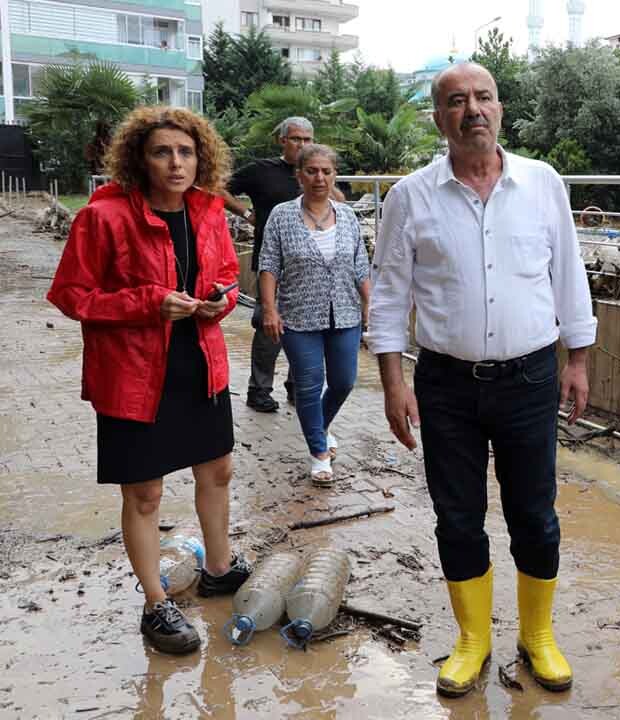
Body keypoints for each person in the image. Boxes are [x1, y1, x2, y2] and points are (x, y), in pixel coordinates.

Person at [366, 62, 596, 698]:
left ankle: (537, 636)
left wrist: (577, 360)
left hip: (529, 379)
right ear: (439, 118)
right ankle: (472, 639)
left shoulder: (542, 184)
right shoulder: (411, 196)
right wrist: (393, 382)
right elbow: (389, 298)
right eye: (457, 101)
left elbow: (568, 276)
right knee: (458, 516)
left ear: (500, 109)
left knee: (535, 514)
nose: (473, 110)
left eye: (484, 97)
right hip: (445, 384)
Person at [47, 106, 253, 655]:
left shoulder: (208, 211)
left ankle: (217, 568)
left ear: (200, 157)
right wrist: (148, 303)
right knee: (144, 492)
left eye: (186, 152)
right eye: (162, 151)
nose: (176, 162)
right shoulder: (104, 217)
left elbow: (229, 276)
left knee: (218, 468)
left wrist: (221, 302)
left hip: (200, 363)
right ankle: (155, 602)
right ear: (139, 158)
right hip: (133, 374)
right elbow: (71, 295)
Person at [257, 144, 371, 486]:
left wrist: (370, 304)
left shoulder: (347, 216)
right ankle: (319, 452)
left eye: (326, 171)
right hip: (298, 315)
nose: (319, 178)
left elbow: (360, 265)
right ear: (299, 175)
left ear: (334, 175)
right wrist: (269, 309)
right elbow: (268, 265)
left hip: (345, 313)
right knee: (308, 385)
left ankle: (319, 428)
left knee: (343, 381)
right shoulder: (281, 215)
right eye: (311, 171)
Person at [223, 116, 341, 413]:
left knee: (307, 328)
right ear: (282, 141)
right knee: (269, 329)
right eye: (296, 139)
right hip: (271, 263)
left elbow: (338, 204)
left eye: (307, 139)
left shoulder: (316, 172)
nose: (302, 144)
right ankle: (259, 389)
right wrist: (246, 214)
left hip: (313, 265)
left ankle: (297, 387)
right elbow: (218, 188)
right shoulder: (261, 171)